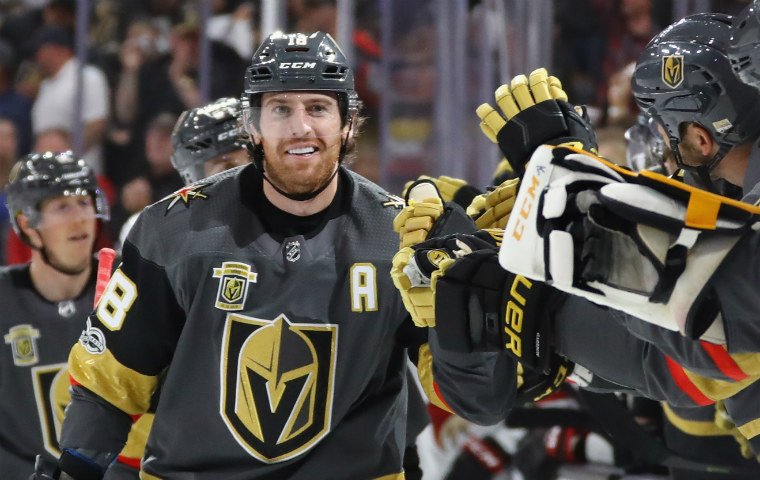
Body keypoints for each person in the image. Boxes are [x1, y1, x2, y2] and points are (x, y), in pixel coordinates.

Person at [45, 31, 511, 479]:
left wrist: (463, 305)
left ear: (348, 122)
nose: (300, 126)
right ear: (252, 125)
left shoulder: (399, 239)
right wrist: (75, 468)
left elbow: (478, 402)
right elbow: (108, 386)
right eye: (281, 108)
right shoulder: (170, 230)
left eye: (318, 107)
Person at [0, 152, 148, 479]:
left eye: (84, 202)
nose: (80, 217)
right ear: (27, 223)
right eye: (62, 206)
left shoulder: (132, 285)